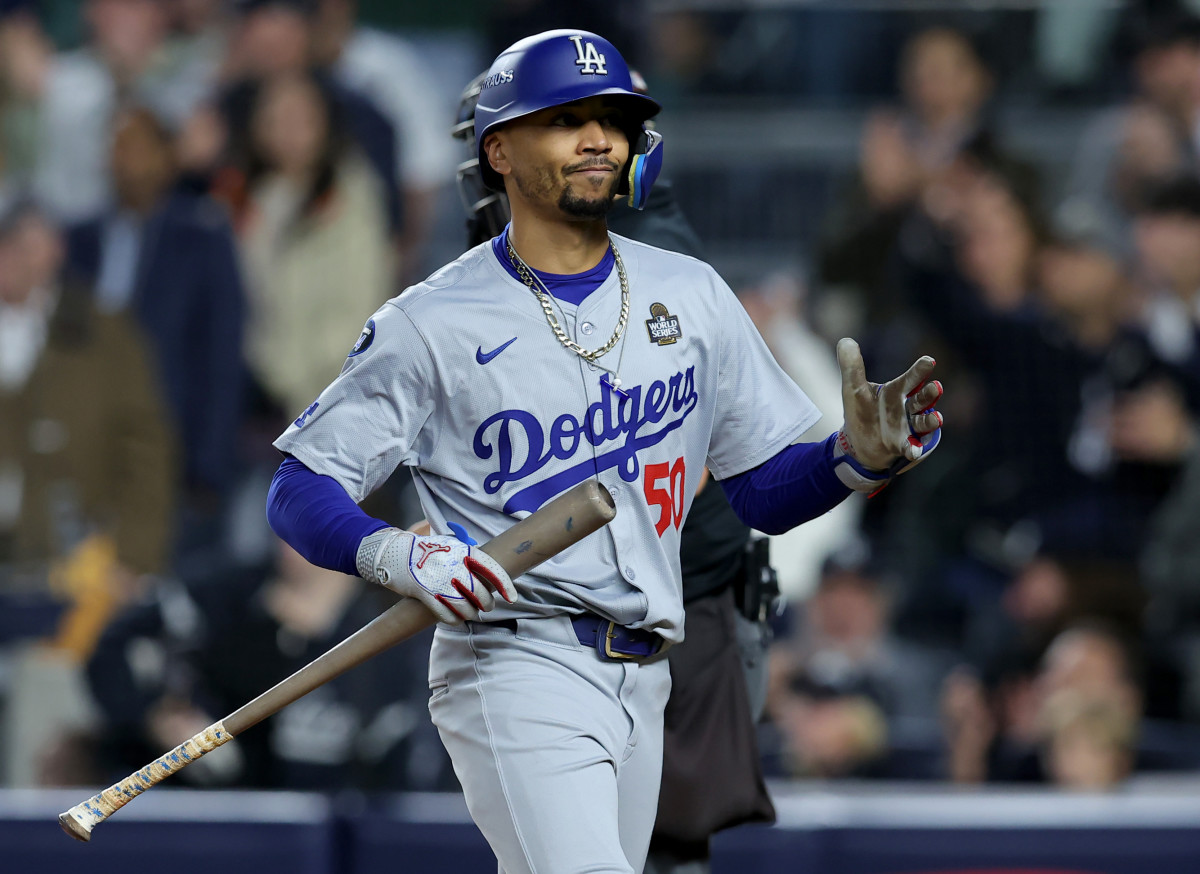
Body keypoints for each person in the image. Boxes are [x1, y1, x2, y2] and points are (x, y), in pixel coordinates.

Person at [265, 30, 944, 874]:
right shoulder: (430, 322)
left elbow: (762, 490)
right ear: (500, 151)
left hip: (647, 667)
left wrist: (853, 458)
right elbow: (299, 485)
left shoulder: (688, 291)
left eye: (615, 121)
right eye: (566, 120)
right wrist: (398, 551)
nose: (598, 139)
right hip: (515, 659)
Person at [450, 69, 778, 874]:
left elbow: (668, 467)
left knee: (651, 855)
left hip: (667, 613)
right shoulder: (542, 250)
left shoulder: (647, 266)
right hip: (618, 612)